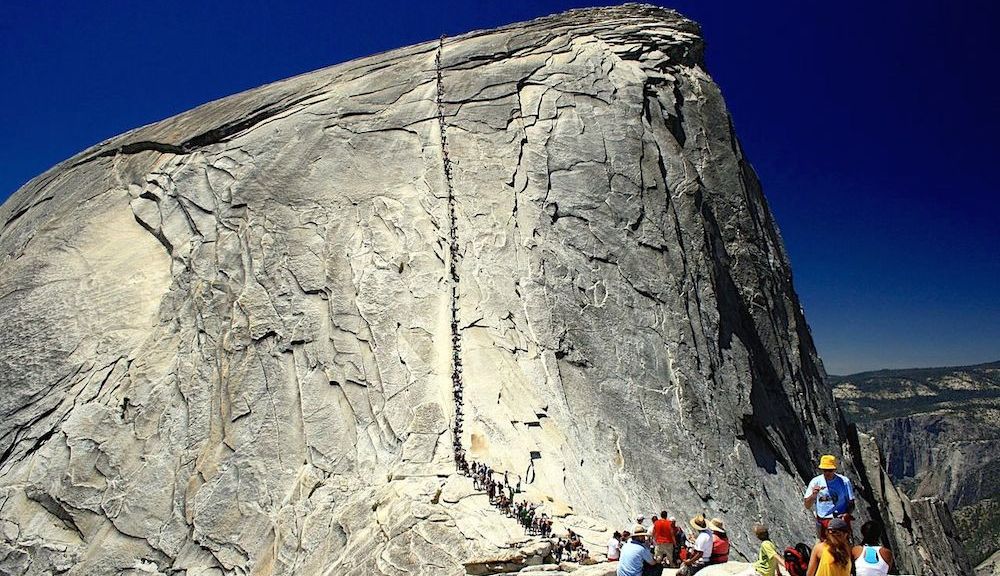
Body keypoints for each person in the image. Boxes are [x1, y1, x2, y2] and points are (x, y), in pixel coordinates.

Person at [803, 455, 855, 539]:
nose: (827, 473)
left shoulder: (844, 481)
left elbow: (851, 502)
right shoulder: (816, 482)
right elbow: (807, 505)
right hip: (824, 520)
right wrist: (814, 495)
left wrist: (846, 515)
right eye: (825, 470)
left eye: (830, 470)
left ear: (835, 469)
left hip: (839, 519)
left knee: (843, 547)